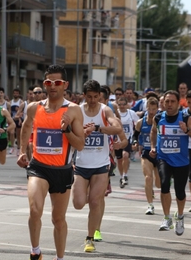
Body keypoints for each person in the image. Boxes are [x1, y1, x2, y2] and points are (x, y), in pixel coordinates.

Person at [16, 64, 85, 260]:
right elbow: (26, 127)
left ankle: (60, 257)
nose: (52, 86)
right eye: (48, 82)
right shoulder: (34, 108)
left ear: (65, 85)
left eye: (57, 82)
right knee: (34, 209)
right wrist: (22, 151)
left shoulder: (73, 110)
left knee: (58, 219)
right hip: (39, 167)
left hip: (62, 170)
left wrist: (66, 131)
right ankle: (35, 251)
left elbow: (80, 145)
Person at [72, 79, 124, 253]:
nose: (93, 100)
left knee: (95, 202)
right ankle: (87, 192)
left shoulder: (105, 110)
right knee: (78, 203)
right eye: (89, 97)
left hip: (101, 164)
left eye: (95, 96)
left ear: (100, 96)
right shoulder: (77, 110)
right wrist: (82, 132)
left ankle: (90, 238)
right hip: (81, 163)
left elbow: (117, 128)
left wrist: (97, 128)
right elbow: (68, 133)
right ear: (84, 96)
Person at [150, 90, 191, 236]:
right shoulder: (158, 117)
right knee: (164, 184)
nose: (169, 104)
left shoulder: (185, 118)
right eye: (167, 101)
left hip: (181, 161)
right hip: (164, 158)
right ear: (163, 103)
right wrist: (153, 147)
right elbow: (153, 132)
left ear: (179, 103)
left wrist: (186, 131)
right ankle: (166, 218)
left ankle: (179, 216)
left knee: (180, 192)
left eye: (173, 101)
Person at [132, 97, 161, 215]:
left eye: (154, 109)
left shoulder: (160, 121)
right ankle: (150, 205)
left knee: (159, 183)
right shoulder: (140, 122)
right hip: (146, 153)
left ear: (157, 109)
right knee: (148, 178)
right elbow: (135, 136)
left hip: (159, 154)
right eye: (150, 109)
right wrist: (135, 143)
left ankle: (155, 187)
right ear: (147, 108)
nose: (152, 112)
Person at [116, 97, 139, 188]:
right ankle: (121, 176)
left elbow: (138, 124)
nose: (122, 106)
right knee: (119, 159)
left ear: (127, 105)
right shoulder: (115, 114)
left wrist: (135, 140)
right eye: (120, 104)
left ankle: (125, 175)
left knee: (125, 155)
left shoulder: (131, 113)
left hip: (128, 139)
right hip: (118, 140)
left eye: (123, 104)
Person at [9, 88, 23, 155]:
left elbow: (22, 111)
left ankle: (18, 148)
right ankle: (12, 147)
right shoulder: (10, 102)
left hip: (18, 120)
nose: (15, 94)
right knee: (12, 133)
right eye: (14, 93)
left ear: (19, 94)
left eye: (17, 93)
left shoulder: (21, 102)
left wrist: (19, 117)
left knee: (18, 134)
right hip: (12, 119)